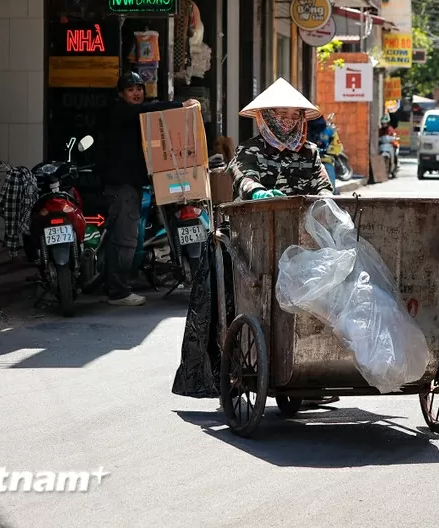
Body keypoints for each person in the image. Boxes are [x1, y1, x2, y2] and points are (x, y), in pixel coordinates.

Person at [172, 78, 336, 404]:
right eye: (281, 115)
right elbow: (242, 178)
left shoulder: (310, 153)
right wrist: (259, 192)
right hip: (253, 239)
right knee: (242, 301)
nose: (288, 122)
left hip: (302, 239)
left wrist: (327, 203)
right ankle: (235, 370)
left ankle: (309, 371)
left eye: (294, 116)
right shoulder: (249, 150)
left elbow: (324, 188)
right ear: (268, 118)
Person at [101, 71, 200, 307]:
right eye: (131, 89)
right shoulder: (122, 112)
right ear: (121, 94)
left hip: (135, 184)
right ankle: (118, 291)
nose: (136, 93)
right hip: (122, 187)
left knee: (127, 237)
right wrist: (180, 105)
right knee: (125, 238)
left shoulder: (136, 116)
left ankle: (120, 284)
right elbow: (146, 111)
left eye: (139, 89)